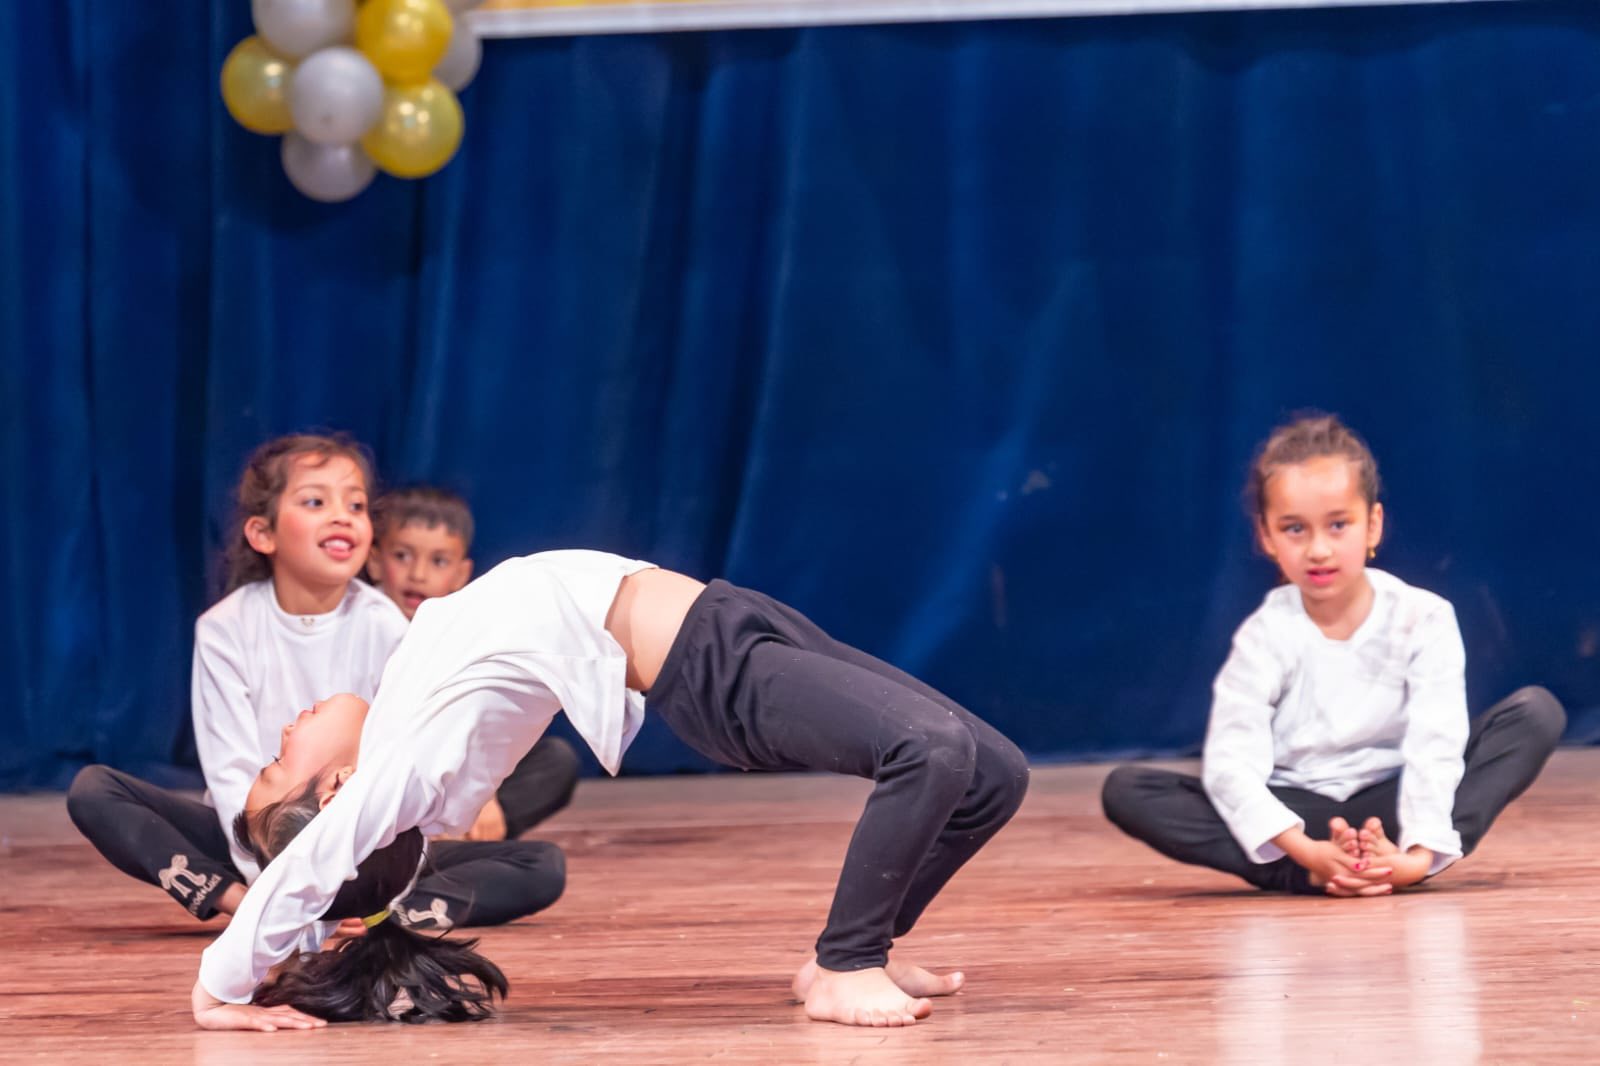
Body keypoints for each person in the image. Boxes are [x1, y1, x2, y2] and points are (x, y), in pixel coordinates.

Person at [189, 551, 1030, 1030]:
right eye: (277, 760)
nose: (288, 724)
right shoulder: (402, 766)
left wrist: (335, 932)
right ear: (335, 791)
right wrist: (220, 991)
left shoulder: (411, 703)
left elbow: (350, 872)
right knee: (928, 748)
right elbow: (315, 864)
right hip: (708, 670)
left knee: (994, 774)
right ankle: (847, 965)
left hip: (731, 615)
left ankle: (855, 949)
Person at [68, 434, 564, 931]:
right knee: (94, 791)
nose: (342, 515)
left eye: (356, 504)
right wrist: (273, 886)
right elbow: (232, 772)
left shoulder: (385, 624)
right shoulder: (224, 629)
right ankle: (244, 906)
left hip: (364, 842)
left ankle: (379, 912)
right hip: (255, 841)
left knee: (542, 862)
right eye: (315, 501)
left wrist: (387, 878)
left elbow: (406, 758)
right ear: (263, 534)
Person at [1101, 413, 1565, 897]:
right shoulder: (1265, 634)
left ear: (1373, 526)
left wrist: (1418, 856)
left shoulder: (1423, 617)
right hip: (1300, 812)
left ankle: (1403, 866)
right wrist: (1303, 849)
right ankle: (1309, 873)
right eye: (1295, 529)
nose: (1319, 549)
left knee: (1535, 713)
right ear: (1266, 536)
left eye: (1338, 525)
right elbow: (1230, 762)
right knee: (1129, 789)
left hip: (1396, 799)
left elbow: (1437, 742)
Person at [367, 485, 580, 841]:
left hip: (451, 776)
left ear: (460, 574)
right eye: (402, 556)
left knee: (555, 761)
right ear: (374, 561)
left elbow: (480, 724)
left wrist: (486, 794)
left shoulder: (463, 633)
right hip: (384, 777)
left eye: (438, 561)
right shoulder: (364, 627)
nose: (418, 574)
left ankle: (460, 842)